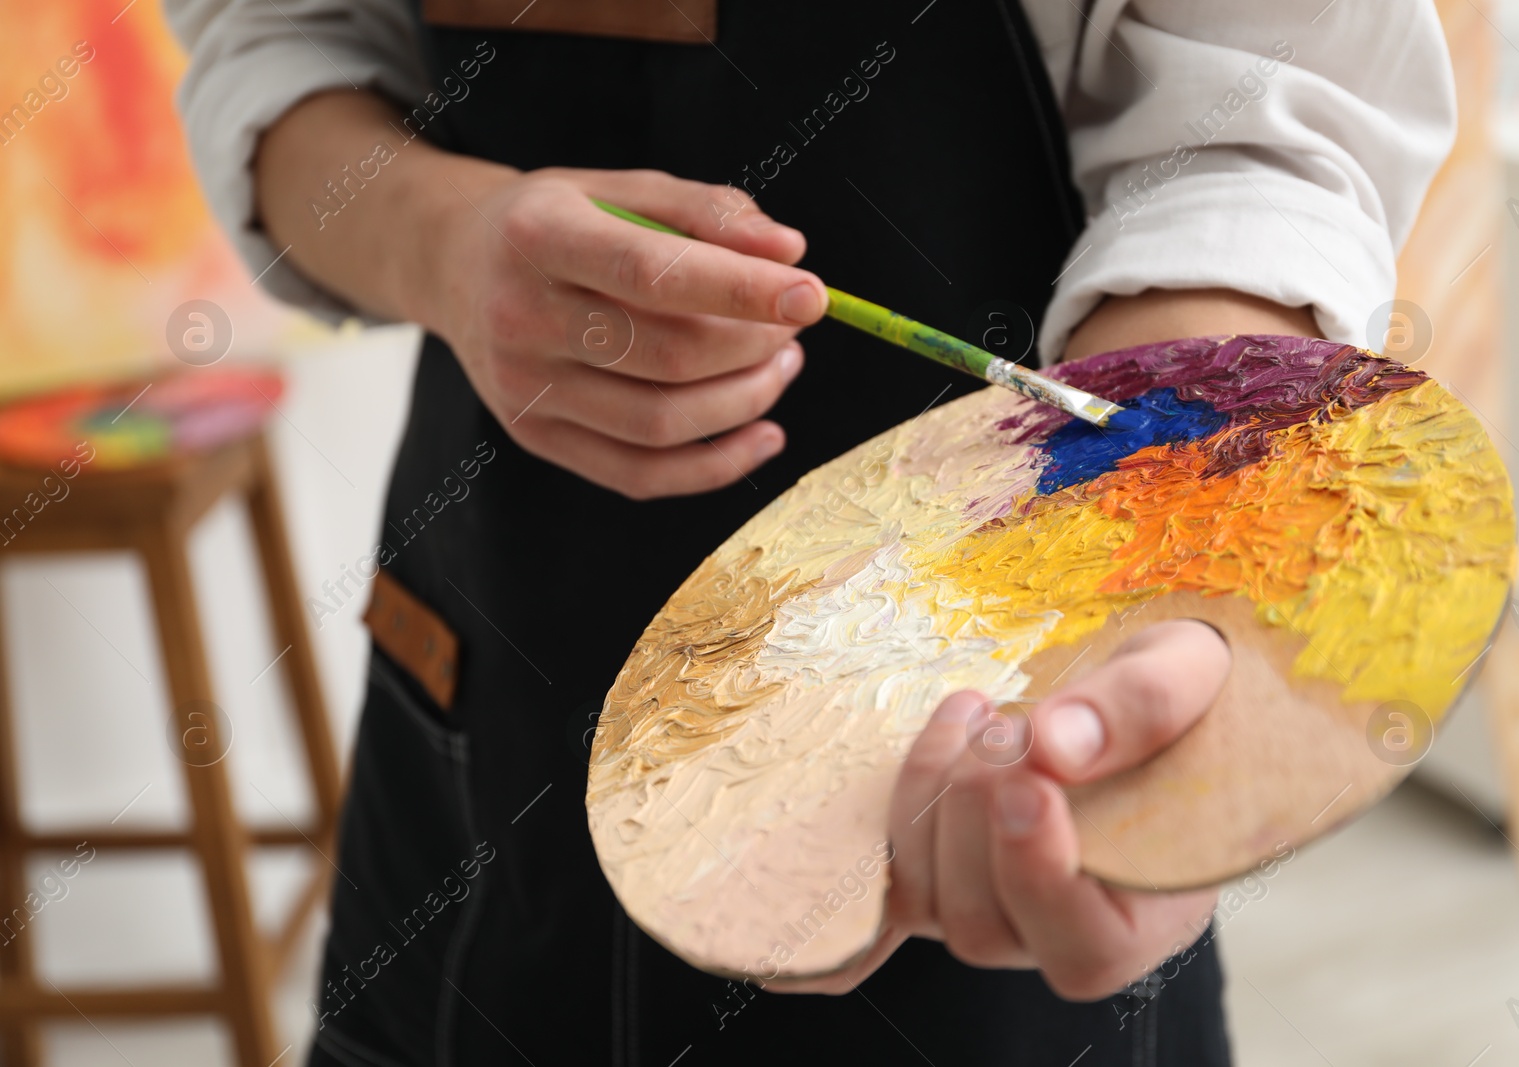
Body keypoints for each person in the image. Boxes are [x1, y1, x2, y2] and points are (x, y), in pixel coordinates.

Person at [164, 1, 1454, 1063]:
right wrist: (441, 240)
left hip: (957, 752)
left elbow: (1261, 128)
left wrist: (1128, 579)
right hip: (483, 691)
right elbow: (274, 42)